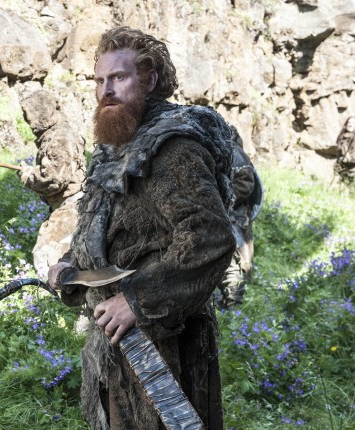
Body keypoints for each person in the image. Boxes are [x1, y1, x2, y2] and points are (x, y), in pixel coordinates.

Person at [48, 27, 236, 429]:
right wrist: (72, 267)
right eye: (100, 80)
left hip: (165, 342)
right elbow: (110, 228)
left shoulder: (173, 148)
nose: (106, 90)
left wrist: (136, 300)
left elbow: (210, 237)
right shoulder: (117, 147)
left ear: (149, 81)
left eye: (119, 77)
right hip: (120, 339)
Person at [18, 89, 86, 276]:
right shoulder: (54, 136)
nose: (29, 120)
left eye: (32, 113)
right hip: (66, 207)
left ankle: (63, 291)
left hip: (71, 210)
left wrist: (29, 176)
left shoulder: (60, 138)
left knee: (50, 258)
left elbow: (54, 179)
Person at [218, 126, 263, 309]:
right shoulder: (224, 153)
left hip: (235, 218)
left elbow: (245, 186)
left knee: (234, 263)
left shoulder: (235, 155)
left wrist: (221, 198)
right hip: (223, 216)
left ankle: (234, 306)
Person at [335, 115, 355, 184]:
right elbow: (338, 153)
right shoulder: (341, 137)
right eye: (349, 123)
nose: (350, 125)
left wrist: (350, 159)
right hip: (342, 168)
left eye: (353, 123)